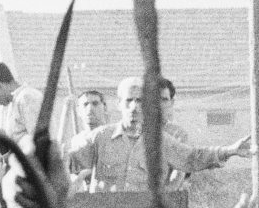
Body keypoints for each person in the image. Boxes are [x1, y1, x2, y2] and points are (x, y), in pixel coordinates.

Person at [67, 76, 248, 191]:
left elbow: (192, 157)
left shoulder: (162, 141)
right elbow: (67, 161)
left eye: (140, 101)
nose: (134, 107)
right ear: (119, 104)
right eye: (129, 100)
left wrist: (230, 150)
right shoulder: (99, 138)